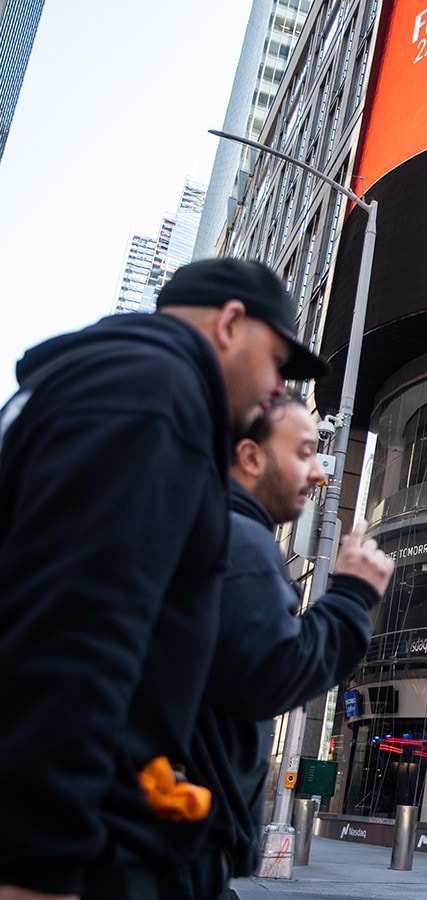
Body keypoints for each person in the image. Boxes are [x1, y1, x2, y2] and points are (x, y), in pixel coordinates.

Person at [0, 258, 326, 899]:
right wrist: (40, 864)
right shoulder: (154, 391)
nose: (277, 389)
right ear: (231, 323)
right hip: (78, 851)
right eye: (277, 363)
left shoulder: (101, 381)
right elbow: (80, 631)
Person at [176, 393, 394, 895]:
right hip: (182, 846)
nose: (319, 473)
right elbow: (270, 674)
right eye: (302, 452)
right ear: (250, 456)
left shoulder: (207, 526)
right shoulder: (241, 540)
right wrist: (352, 595)